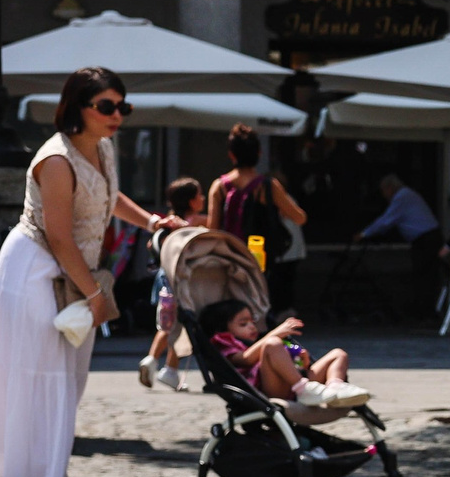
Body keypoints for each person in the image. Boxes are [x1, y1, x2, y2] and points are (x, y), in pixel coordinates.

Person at [0, 68, 181, 477]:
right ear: (78, 107)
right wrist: (95, 293)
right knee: (46, 379)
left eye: (123, 106)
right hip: (36, 269)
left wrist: (151, 222)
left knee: (69, 380)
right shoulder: (55, 159)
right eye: (106, 106)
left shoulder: (102, 147)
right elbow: (59, 237)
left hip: (71, 270)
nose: (117, 115)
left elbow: (108, 196)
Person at [198, 298, 372, 410]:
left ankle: (336, 388)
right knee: (272, 344)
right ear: (221, 328)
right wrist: (274, 334)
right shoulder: (223, 342)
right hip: (271, 389)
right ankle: (305, 389)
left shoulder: (259, 341)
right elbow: (243, 360)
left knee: (338, 354)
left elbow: (294, 361)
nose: (251, 326)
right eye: (243, 323)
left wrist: (301, 361)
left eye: (252, 321)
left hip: (297, 382)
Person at [208, 123, 306, 304]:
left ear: (231, 154)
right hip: (259, 261)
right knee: (256, 311)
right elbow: (299, 218)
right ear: (259, 154)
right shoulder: (268, 186)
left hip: (227, 259)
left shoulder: (219, 186)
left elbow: (212, 230)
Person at [140, 177, 207, 390]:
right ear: (191, 201)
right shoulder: (195, 222)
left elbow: (152, 244)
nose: (203, 198)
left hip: (163, 277)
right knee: (181, 324)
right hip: (182, 279)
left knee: (168, 323)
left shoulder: (167, 222)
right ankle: (166, 367)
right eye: (199, 195)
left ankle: (162, 365)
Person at [355, 172, 443, 302]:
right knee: (425, 274)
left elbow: (386, 221)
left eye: (383, 191)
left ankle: (424, 309)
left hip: (426, 239)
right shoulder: (407, 195)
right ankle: (424, 307)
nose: (383, 195)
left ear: (389, 188)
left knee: (423, 275)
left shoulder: (402, 197)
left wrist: (364, 234)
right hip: (427, 237)